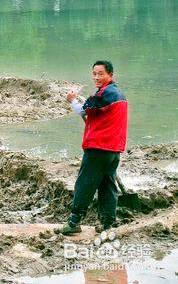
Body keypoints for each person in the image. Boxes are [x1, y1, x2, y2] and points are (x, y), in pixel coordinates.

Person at [55, 60, 128, 235]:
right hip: (113, 149)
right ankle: (107, 223)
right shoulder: (118, 94)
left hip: (99, 147)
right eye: (94, 73)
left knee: (85, 183)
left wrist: (72, 100)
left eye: (100, 74)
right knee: (107, 184)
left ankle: (73, 223)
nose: (96, 77)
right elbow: (92, 111)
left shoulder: (105, 94)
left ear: (110, 75)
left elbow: (82, 110)